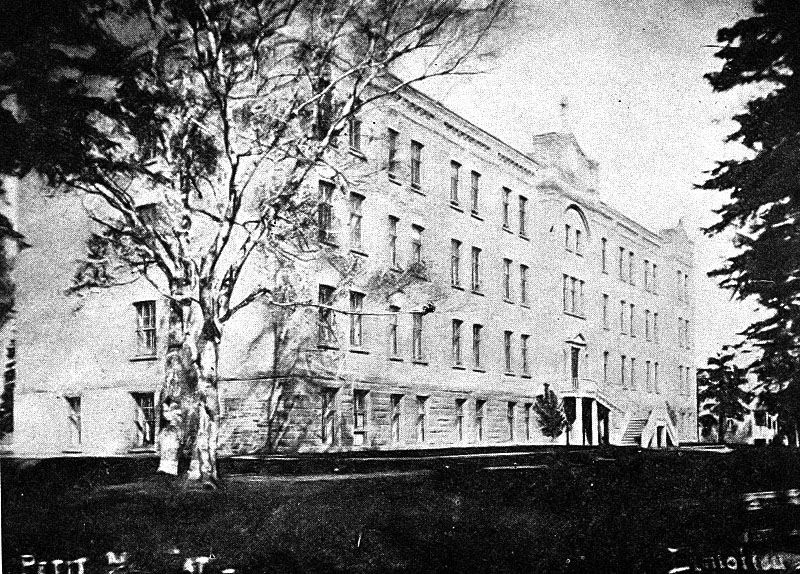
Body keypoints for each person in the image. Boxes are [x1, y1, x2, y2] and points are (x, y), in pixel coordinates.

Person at [158, 397, 182, 476]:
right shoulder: (165, 429)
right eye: (164, 411)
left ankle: (171, 468)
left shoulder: (176, 427)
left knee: (172, 447)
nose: (165, 414)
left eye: (167, 411)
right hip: (165, 455)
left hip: (174, 434)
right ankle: (164, 467)